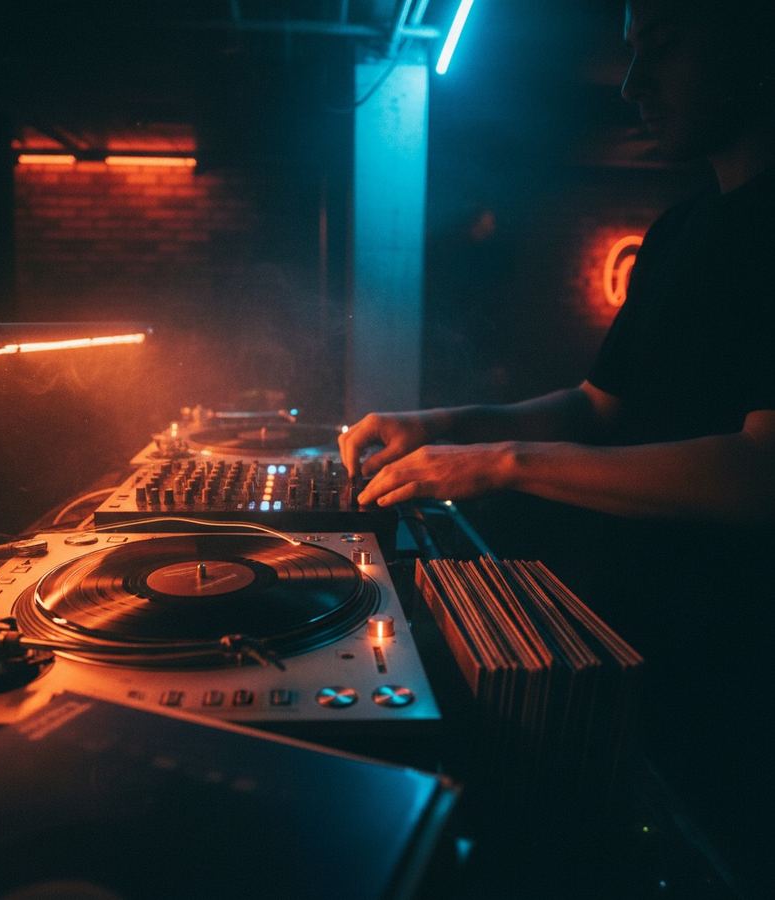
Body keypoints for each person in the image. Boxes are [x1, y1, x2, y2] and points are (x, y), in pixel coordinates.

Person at [340, 0, 774, 893]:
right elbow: (596, 407)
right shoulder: (681, 231)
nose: (630, 84)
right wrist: (442, 427)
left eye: (663, 47)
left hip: (747, 678)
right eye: (628, 54)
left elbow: (760, 473)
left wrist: (503, 464)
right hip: (638, 649)